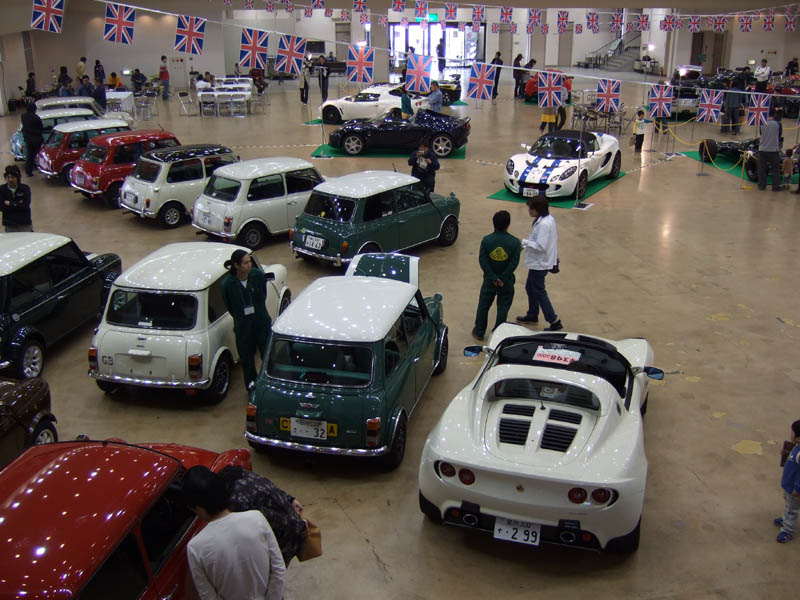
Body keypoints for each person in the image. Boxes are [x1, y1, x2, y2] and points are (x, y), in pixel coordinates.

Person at [182, 466, 286, 600]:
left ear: (198, 508)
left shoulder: (195, 548)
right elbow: (278, 569)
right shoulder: (256, 519)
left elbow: (208, 596)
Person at [219, 465, 307, 564]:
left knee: (276, 566)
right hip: (289, 524)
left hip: (285, 533)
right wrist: (290, 499)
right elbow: (270, 487)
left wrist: (299, 525)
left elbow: (269, 517)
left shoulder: (238, 498)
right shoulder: (246, 475)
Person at [221, 250, 271, 390]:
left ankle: (268, 383)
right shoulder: (227, 285)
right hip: (243, 327)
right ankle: (251, 385)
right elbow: (230, 307)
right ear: (236, 265)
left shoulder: (258, 276)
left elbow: (263, 296)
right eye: (246, 263)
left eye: (250, 262)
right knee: (247, 359)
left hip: (261, 322)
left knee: (267, 355)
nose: (249, 265)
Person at [472, 210, 521, 341]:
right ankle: (498, 333)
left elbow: (483, 261)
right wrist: (502, 278)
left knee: (483, 306)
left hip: (489, 281)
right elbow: (514, 263)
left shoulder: (486, 240)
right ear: (508, 225)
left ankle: (479, 331)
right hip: (506, 282)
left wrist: (493, 277)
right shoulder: (515, 242)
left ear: (493, 223)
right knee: (503, 308)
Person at [516, 196, 562, 331]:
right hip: (540, 262)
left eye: (530, 208)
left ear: (536, 209)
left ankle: (554, 320)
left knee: (539, 291)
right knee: (530, 288)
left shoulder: (543, 225)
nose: (529, 211)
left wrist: (523, 242)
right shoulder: (548, 219)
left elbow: (540, 246)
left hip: (540, 263)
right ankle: (532, 313)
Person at [775, 420, 800, 543]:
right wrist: (787, 453)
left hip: (795, 489)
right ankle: (786, 519)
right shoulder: (797, 447)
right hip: (789, 485)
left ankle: (787, 530)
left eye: (792, 432)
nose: (791, 434)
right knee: (788, 503)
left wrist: (798, 488)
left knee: (792, 509)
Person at [0, 165, 33, 233]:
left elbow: (25, 205)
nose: (10, 180)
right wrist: (18, 203)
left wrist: (10, 203)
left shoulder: (25, 188)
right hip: (9, 225)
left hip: (24, 224)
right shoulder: (1, 189)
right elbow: (2, 207)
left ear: (18, 178)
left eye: (13, 177)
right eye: (8, 177)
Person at [757, 110, 783, 191]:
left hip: (762, 148)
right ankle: (775, 186)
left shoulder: (762, 123)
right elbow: (779, 135)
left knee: (762, 168)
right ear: (774, 114)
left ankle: (762, 185)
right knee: (775, 169)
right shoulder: (778, 124)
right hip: (773, 149)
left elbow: (761, 133)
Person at [20, 104, 43, 178]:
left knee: (30, 155)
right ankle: (40, 167)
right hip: (36, 139)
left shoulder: (23, 116)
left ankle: (29, 170)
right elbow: (41, 127)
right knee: (39, 154)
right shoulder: (36, 118)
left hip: (28, 139)